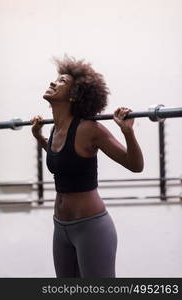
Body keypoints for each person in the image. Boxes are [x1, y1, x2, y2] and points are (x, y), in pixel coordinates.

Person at [30, 55, 144, 278]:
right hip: (60, 227)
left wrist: (127, 132)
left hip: (90, 228)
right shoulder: (56, 128)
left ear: (74, 96)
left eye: (62, 81)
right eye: (56, 79)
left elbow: (135, 165)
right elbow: (63, 160)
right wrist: (40, 138)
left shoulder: (90, 129)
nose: (53, 83)